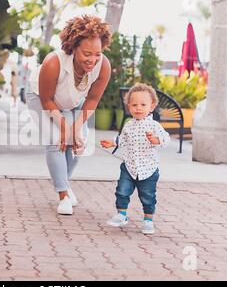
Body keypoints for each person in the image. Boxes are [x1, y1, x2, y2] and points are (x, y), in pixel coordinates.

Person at [27, 15, 112, 215]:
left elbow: (92, 100)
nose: (92, 60)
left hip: (74, 100)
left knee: (79, 141)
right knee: (57, 140)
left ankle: (63, 181)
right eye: (86, 53)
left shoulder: (103, 66)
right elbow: (47, 100)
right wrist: (65, 128)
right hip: (41, 97)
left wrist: (75, 130)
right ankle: (63, 194)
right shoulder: (53, 62)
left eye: (97, 54)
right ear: (73, 47)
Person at [100, 83, 170, 234]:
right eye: (134, 105)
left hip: (148, 169)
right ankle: (121, 214)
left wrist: (156, 140)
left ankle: (148, 220)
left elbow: (166, 139)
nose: (138, 108)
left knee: (148, 196)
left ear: (152, 106)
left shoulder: (154, 125)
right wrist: (112, 142)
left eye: (143, 104)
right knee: (122, 191)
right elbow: (123, 139)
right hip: (129, 167)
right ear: (129, 107)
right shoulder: (128, 125)